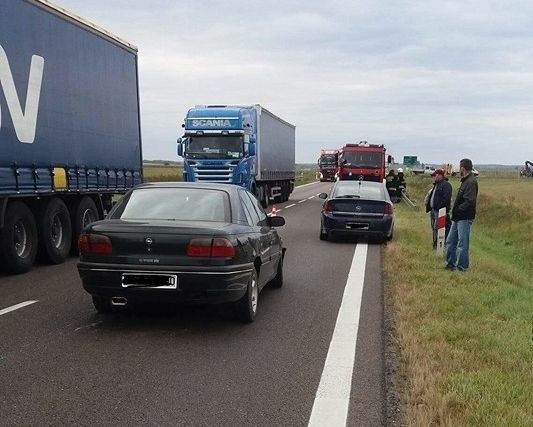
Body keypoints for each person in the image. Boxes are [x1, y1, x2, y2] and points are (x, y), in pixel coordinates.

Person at [445, 158, 478, 271]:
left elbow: (469, 201)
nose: (459, 170)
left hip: (464, 217)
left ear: (463, 168)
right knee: (450, 241)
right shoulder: (465, 181)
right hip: (457, 217)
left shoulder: (471, 182)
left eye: (459, 168)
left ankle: (462, 267)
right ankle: (451, 264)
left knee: (462, 244)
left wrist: (458, 209)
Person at [425, 169, 452, 249]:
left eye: (435, 175)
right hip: (433, 210)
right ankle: (435, 245)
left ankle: (439, 246)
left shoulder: (446, 185)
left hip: (440, 211)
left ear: (440, 175)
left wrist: (439, 208)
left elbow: (446, 199)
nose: (434, 177)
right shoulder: (436, 185)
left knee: (439, 228)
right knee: (434, 228)